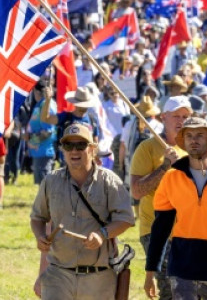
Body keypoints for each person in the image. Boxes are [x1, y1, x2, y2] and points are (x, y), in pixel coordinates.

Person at [30, 124, 135, 299]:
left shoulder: (108, 181)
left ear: (92, 149)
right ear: (62, 150)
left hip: (98, 278)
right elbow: (37, 217)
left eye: (81, 145)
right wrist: (40, 236)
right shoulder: (51, 181)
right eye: (69, 146)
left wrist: (102, 234)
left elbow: (126, 219)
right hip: (58, 275)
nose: (74, 151)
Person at [144, 117, 207, 299]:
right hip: (183, 266)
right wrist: (150, 271)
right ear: (183, 142)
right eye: (189, 135)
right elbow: (160, 228)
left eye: (199, 135)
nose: (194, 140)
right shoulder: (171, 178)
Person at [129, 96, 191, 300]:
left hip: (188, 231)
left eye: (185, 116)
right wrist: (165, 167)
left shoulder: (193, 149)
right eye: (176, 116)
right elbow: (137, 191)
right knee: (171, 291)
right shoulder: (147, 148)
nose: (181, 120)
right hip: (156, 231)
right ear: (163, 117)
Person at [28, 83, 58, 185]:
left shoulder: (46, 105)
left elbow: (48, 131)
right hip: (38, 151)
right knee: (41, 186)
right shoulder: (39, 104)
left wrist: (31, 140)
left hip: (44, 151)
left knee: (45, 185)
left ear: (36, 91)